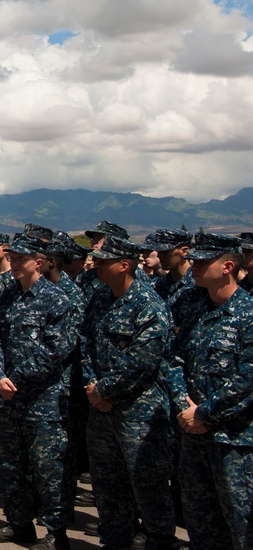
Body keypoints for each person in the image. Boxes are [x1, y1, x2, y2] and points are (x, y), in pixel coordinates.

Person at [80, 235, 177, 550]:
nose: (96, 265)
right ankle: (114, 540)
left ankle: (160, 542)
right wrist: (94, 387)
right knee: (107, 485)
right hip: (102, 410)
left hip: (139, 413)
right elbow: (86, 344)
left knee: (147, 486)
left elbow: (142, 361)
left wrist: (103, 390)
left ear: (124, 265)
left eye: (104, 261)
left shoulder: (149, 305)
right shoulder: (100, 299)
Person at [0, 234, 75, 550]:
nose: (16, 263)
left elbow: (55, 349)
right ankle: (18, 524)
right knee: (9, 465)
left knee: (48, 468)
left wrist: (16, 378)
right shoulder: (6, 297)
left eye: (22, 258)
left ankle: (54, 532)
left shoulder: (56, 299)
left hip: (42, 400)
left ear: (38, 262)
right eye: (14, 257)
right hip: (7, 397)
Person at [167, 232, 253, 550]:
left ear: (227, 266)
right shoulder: (192, 308)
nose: (195, 267)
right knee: (200, 522)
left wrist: (203, 413)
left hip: (235, 441)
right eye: (194, 261)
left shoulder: (248, 314)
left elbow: (247, 380)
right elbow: (173, 359)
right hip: (193, 434)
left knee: (242, 525)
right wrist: (183, 406)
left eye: (203, 262)